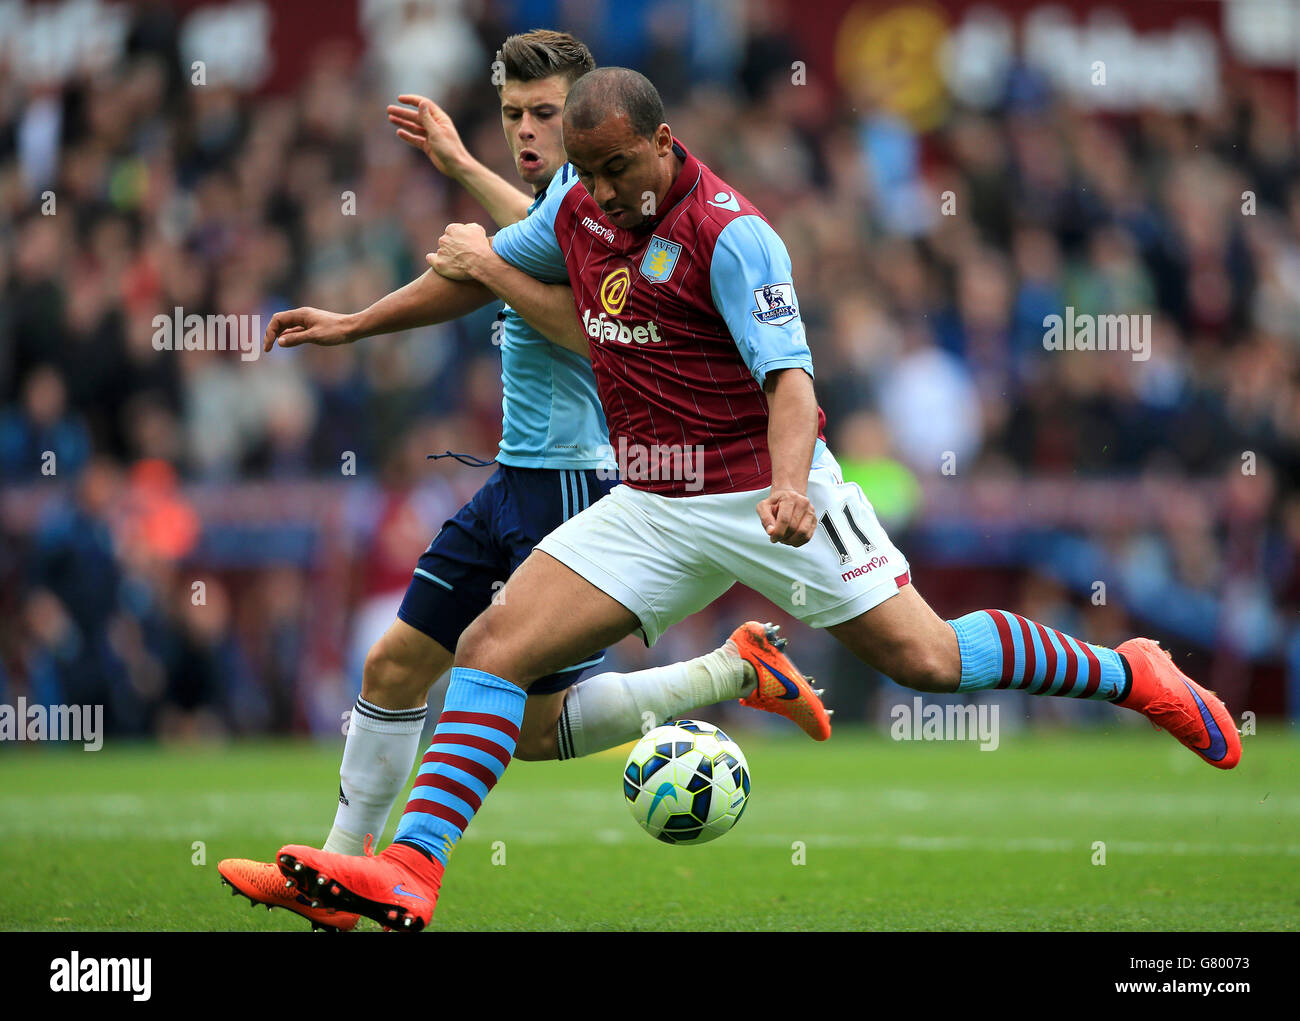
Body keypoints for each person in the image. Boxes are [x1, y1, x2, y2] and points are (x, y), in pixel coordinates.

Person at [276, 67, 1241, 932]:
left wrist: (788, 488)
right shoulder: (579, 209)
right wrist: (353, 324)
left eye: (617, 169)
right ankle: (409, 869)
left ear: (664, 141)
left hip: (764, 491)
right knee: (490, 648)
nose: (605, 192)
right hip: (651, 500)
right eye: (588, 172)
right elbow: (483, 273)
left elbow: (791, 387)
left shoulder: (735, 237)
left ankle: (1131, 671)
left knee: (928, 658)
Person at [219, 38, 828, 932]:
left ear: (591, 119)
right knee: (392, 666)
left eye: (547, 114)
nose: (529, 132)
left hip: (579, 484)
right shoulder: (561, 215)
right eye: (513, 116)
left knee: (533, 728)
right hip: (509, 479)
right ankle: (339, 878)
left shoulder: (613, 218)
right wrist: (352, 324)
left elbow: (589, 317)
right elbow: (474, 271)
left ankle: (729, 669)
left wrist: (462, 171)